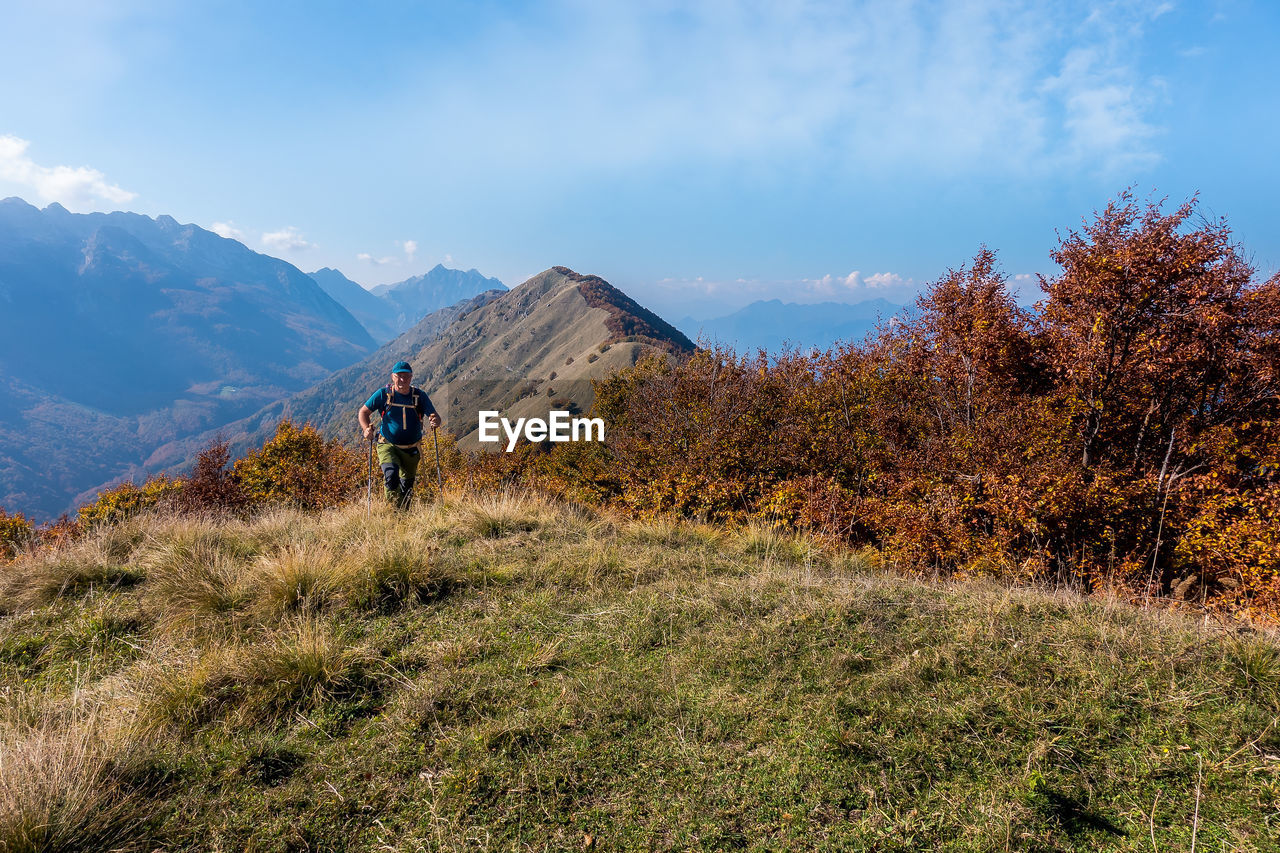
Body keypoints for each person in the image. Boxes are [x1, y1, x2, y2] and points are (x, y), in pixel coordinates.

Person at [358, 361, 442, 509]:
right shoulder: (383, 394)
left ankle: (404, 513)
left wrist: (435, 420)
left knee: (407, 486)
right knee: (391, 476)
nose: (403, 380)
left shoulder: (419, 396)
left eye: (406, 376)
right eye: (399, 376)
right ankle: (393, 511)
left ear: (411, 377)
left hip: (412, 448)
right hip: (388, 444)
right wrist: (366, 429)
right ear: (392, 377)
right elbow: (363, 412)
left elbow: (435, 416)